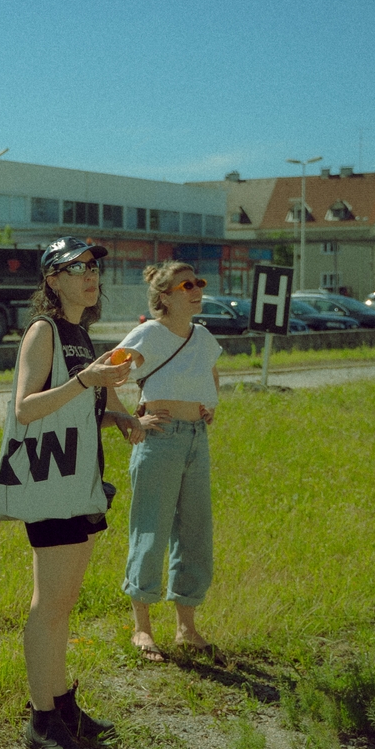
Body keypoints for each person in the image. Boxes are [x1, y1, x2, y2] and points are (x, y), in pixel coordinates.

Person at [0, 237, 142, 749]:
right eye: (75, 267)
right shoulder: (44, 331)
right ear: (51, 279)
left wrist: (122, 419)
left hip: (81, 481)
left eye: (94, 265)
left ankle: (63, 705)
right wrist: (86, 379)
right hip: (53, 484)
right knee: (47, 604)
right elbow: (27, 409)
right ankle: (41, 719)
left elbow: (77, 408)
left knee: (62, 604)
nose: (89, 274)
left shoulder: (81, 334)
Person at [115, 261, 224, 662]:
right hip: (159, 440)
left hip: (196, 439)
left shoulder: (203, 336)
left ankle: (186, 627)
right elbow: (106, 374)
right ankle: (142, 629)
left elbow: (210, 375)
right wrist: (130, 419)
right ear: (164, 297)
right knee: (151, 529)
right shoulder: (149, 334)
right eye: (185, 285)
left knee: (195, 531)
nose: (195, 289)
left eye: (199, 282)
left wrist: (210, 406)